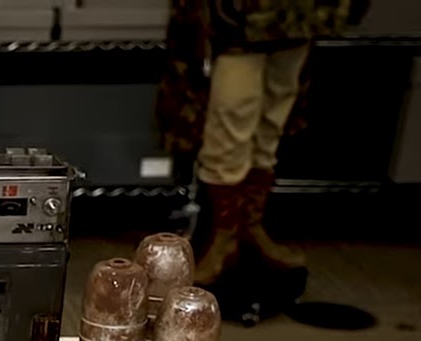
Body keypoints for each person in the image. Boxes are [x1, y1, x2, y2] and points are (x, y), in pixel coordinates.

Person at [156, 0, 367, 286]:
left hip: (300, 13)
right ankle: (223, 234)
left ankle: (249, 226)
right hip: (240, 16)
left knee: (273, 115)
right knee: (232, 113)